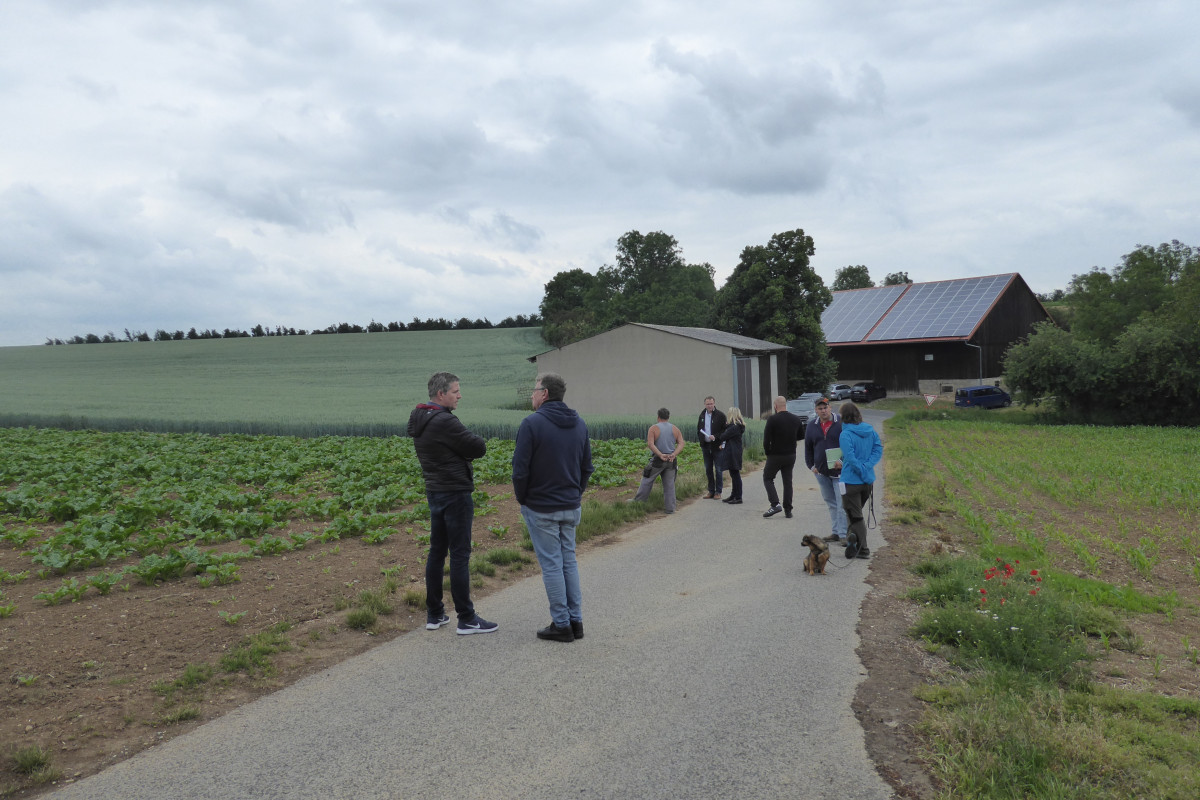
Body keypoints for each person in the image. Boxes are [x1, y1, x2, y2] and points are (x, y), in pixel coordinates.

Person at [407, 372, 498, 635]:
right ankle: (467, 618)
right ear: (440, 394)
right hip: (455, 493)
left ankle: (435, 614)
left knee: (437, 552)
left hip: (434, 491)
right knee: (459, 554)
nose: (460, 395)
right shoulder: (444, 421)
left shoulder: (421, 419)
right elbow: (478, 447)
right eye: (455, 391)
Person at [512, 373, 594, 643]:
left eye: (534, 390)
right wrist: (575, 494)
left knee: (552, 565)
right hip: (570, 505)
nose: (532, 395)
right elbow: (586, 468)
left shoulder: (531, 424)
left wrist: (523, 499)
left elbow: (520, 470)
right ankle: (576, 621)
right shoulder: (579, 424)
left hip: (541, 507)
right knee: (568, 561)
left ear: (544, 393)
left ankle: (561, 625)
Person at [836, 402, 883, 560]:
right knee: (854, 512)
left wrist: (861, 468)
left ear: (843, 416)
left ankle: (863, 549)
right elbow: (878, 449)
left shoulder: (845, 434)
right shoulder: (870, 430)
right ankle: (852, 540)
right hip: (867, 482)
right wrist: (867, 466)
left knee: (855, 515)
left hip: (850, 481)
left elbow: (849, 457)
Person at [804, 397, 848, 544]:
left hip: (840, 472)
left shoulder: (841, 422)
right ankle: (836, 532)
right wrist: (811, 466)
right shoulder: (811, 426)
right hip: (822, 473)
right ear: (816, 410)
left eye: (825, 407)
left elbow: (850, 445)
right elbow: (808, 448)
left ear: (830, 407)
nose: (823, 411)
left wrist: (842, 460)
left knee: (841, 503)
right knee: (831, 503)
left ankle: (843, 535)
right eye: (820, 409)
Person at [631, 408, 686, 513]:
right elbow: (681, 443)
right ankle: (670, 508)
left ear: (658, 417)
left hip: (658, 460)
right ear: (668, 417)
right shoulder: (675, 429)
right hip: (671, 461)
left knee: (647, 479)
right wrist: (674, 454)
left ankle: (639, 502)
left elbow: (650, 444)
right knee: (669, 485)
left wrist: (660, 454)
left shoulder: (653, 428)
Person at [761, 395, 805, 519]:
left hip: (775, 455)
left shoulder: (772, 420)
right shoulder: (796, 419)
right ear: (786, 405)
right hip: (790, 455)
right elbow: (801, 436)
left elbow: (766, 440)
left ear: (775, 406)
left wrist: (768, 452)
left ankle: (775, 504)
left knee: (768, 478)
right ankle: (788, 510)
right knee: (787, 482)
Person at [696, 396, 728, 499]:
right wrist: (701, 440)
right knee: (708, 469)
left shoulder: (720, 415)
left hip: (717, 446)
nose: (709, 406)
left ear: (714, 404)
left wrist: (717, 437)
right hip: (705, 446)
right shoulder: (702, 415)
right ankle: (711, 491)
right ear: (705, 404)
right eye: (707, 404)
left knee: (718, 469)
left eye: (711, 404)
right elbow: (699, 429)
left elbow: (725, 430)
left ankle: (718, 492)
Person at [717, 407, 746, 505]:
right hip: (735, 451)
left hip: (733, 452)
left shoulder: (734, 427)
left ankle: (738, 497)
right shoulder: (737, 426)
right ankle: (734, 495)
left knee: (735, 474)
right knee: (733, 474)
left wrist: (725, 428)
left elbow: (723, 436)